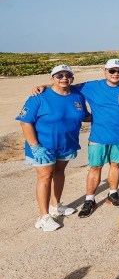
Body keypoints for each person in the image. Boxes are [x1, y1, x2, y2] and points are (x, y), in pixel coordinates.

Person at [29, 58, 119, 218]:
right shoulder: (91, 86)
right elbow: (64, 85)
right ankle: (90, 199)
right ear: (104, 71)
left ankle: (113, 194)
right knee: (95, 167)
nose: (116, 74)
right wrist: (43, 86)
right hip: (98, 136)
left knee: (115, 165)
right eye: (112, 71)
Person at [17, 65, 90, 231]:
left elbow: (83, 115)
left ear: (72, 78)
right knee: (45, 177)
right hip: (43, 146)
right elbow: (25, 122)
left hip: (66, 143)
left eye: (67, 75)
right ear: (52, 78)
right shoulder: (39, 96)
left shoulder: (77, 95)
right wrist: (35, 147)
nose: (64, 78)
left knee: (59, 173)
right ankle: (43, 217)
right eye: (59, 75)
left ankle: (56, 206)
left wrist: (108, 116)